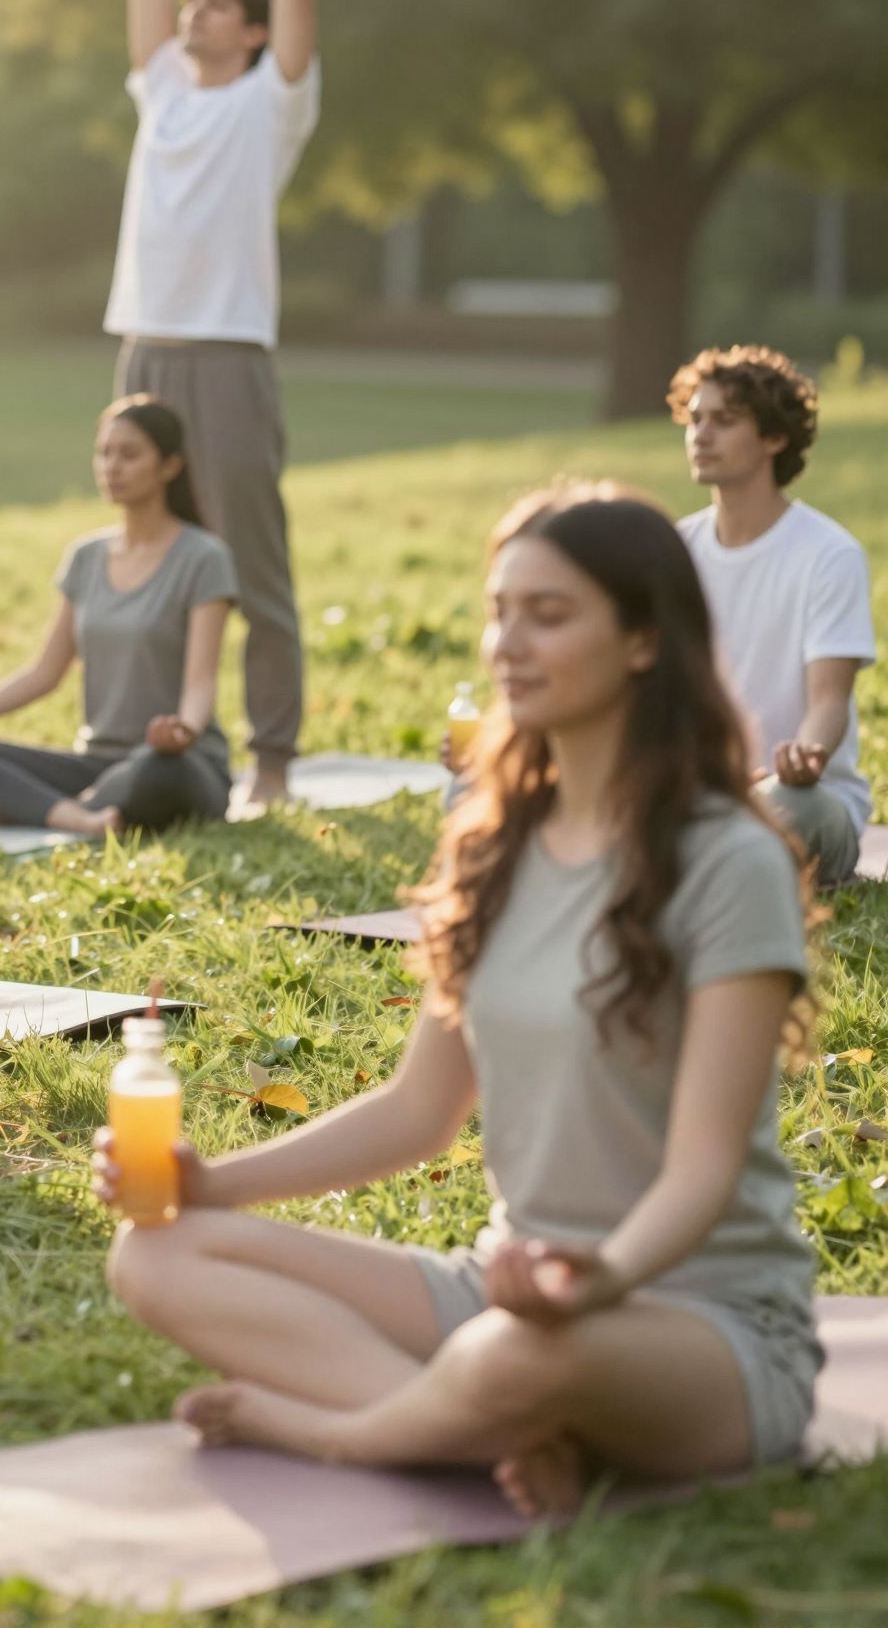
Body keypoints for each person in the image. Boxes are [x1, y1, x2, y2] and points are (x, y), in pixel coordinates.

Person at [96, 483, 820, 1517]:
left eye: (549, 615)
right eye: (499, 612)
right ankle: (493, 1437)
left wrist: (600, 1279)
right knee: (157, 1254)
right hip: (506, 1289)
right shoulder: (494, 843)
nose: (508, 645)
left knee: (515, 1352)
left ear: (645, 641)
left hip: (697, 1321)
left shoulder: (728, 860)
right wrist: (211, 1183)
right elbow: (416, 1111)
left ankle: (347, 1432)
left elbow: (704, 1169)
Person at [107, 0, 320, 810]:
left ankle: (273, 759)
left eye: (220, 6)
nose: (195, 11)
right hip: (143, 349)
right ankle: (163, 747)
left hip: (228, 353)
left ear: (256, 32)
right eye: (195, 3)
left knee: (249, 565)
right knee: (154, 560)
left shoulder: (273, 101)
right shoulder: (162, 87)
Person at [0, 397, 236, 837]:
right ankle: (81, 814)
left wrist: (184, 731)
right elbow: (44, 673)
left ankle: (38, 807)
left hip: (178, 763)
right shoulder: (85, 557)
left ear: (170, 466)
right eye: (104, 453)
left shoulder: (204, 558)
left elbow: (201, 681)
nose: (111, 467)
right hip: (95, 762)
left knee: (156, 771)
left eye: (129, 455)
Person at [670, 344, 876, 883]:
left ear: (774, 438)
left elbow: (829, 700)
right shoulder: (676, 549)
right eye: (695, 419)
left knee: (788, 807)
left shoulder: (829, 554)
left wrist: (806, 757)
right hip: (699, 787)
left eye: (724, 421)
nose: (701, 435)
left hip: (804, 797)